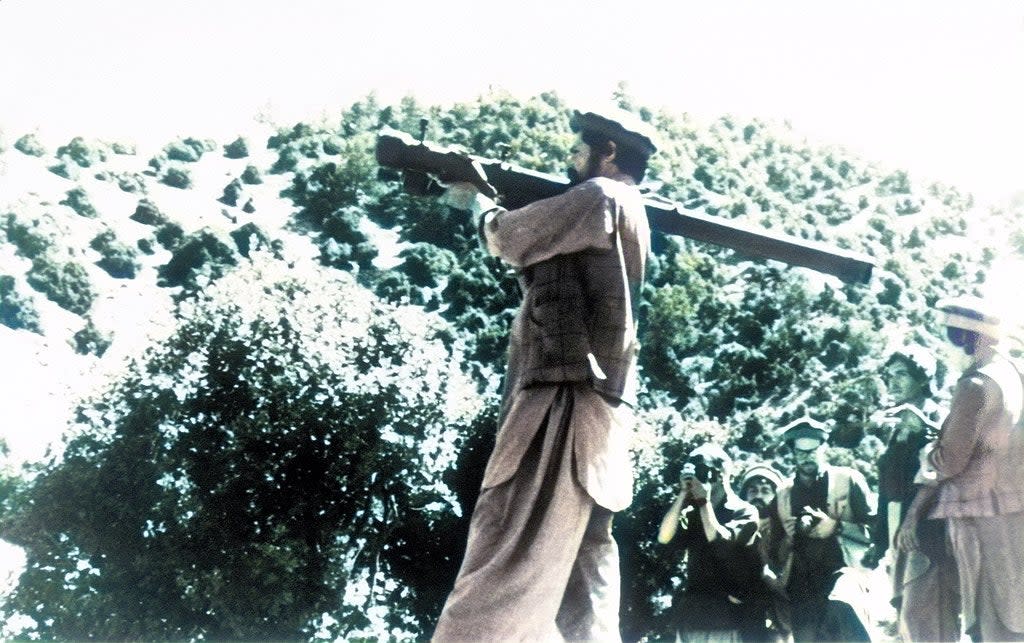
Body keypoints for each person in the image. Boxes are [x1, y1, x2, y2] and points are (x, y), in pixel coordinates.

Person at [431, 105, 657, 641]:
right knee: (586, 577)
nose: (572, 160)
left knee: (504, 548)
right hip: (598, 411)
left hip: (561, 400)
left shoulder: (601, 196)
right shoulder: (623, 208)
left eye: (581, 151)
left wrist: (478, 202)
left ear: (608, 154)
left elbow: (508, 237)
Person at [912, 295, 1024, 641]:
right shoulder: (1011, 372)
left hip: (977, 511)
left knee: (988, 608)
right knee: (1013, 602)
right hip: (1011, 504)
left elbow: (952, 459)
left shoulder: (974, 385)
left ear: (963, 338)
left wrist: (928, 455)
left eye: (948, 334)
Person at [774, 417, 875, 642]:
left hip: (845, 573)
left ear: (823, 448)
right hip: (802, 587)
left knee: (843, 607)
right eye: (801, 452)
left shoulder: (849, 480)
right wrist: (789, 538)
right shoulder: (783, 495)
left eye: (813, 450)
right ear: (792, 453)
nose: (807, 456)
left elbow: (876, 534)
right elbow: (774, 554)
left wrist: (837, 527)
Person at [657, 444, 761, 642]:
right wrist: (682, 495)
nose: (698, 476)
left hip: (727, 618)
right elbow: (664, 537)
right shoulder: (693, 511)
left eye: (702, 470)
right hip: (692, 617)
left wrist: (704, 502)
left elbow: (720, 539)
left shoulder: (745, 511)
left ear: (721, 473)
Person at [876, 404, 960, 642]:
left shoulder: (936, 415)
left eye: (902, 374)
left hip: (931, 532)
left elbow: (938, 475)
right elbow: (887, 493)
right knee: (909, 614)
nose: (894, 382)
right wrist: (880, 541)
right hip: (901, 532)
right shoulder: (895, 428)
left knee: (926, 611)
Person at [737, 463, 792, 642]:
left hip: (781, 622)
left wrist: (767, 577)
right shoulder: (733, 532)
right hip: (738, 622)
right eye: (752, 491)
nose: (758, 495)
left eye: (765, 490)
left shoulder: (787, 533)